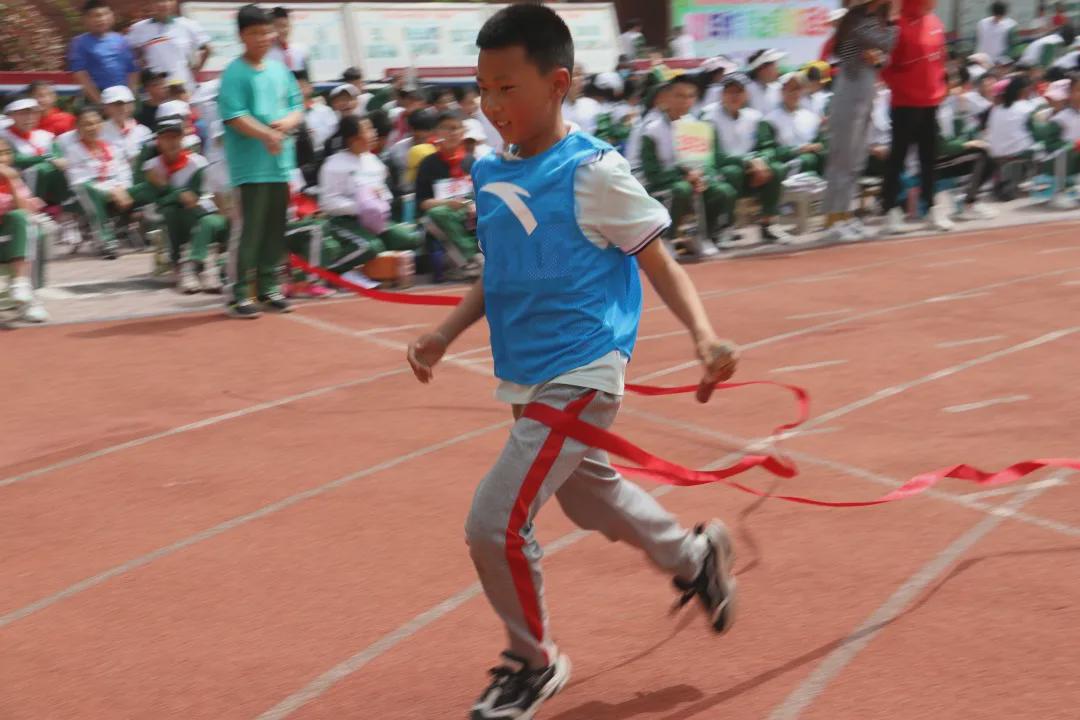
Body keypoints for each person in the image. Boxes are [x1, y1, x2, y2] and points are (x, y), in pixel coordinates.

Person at [406, 7, 739, 719]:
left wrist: (704, 337)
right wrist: (444, 334)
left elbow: (658, 258)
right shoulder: (491, 169)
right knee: (591, 496)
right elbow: (498, 273)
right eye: (482, 89)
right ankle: (695, 558)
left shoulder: (594, 171)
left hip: (583, 372)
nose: (492, 107)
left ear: (557, 83)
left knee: (493, 522)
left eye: (507, 88)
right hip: (528, 373)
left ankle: (533, 660)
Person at [217, 3, 303, 319]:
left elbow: (297, 104)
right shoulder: (234, 73)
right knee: (249, 229)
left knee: (274, 228)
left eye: (266, 31)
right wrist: (266, 134)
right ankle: (240, 292)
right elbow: (234, 116)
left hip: (279, 164)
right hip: (250, 166)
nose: (262, 38)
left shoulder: (280, 69)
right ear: (242, 36)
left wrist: (288, 123)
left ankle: (270, 287)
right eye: (254, 33)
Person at [820, 0, 897, 242]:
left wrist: (877, 57)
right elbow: (888, 44)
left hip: (865, 92)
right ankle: (833, 219)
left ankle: (845, 214)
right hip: (850, 92)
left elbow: (883, 58)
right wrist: (894, 21)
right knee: (842, 159)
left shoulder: (872, 21)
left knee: (855, 160)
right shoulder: (856, 21)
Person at [318, 115, 420, 285]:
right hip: (344, 221)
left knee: (408, 238)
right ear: (353, 138)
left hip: (376, 220)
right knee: (371, 247)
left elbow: (386, 193)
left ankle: (368, 267)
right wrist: (362, 207)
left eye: (372, 129)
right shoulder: (334, 165)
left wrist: (380, 199)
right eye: (367, 130)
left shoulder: (373, 161)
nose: (373, 134)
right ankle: (329, 271)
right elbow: (328, 202)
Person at [640, 74, 735, 254]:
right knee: (682, 189)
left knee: (723, 191)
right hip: (665, 184)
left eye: (690, 96)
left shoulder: (699, 126)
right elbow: (652, 172)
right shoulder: (652, 130)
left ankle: (703, 235)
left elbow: (710, 163)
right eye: (680, 96)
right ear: (667, 97)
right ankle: (667, 237)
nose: (685, 101)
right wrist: (682, 174)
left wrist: (703, 176)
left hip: (695, 181)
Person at [880, 0, 952, 235]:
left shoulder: (935, 23)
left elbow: (941, 60)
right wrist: (903, 89)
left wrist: (940, 89)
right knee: (897, 158)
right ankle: (890, 210)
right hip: (904, 103)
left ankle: (931, 208)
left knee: (929, 158)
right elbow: (885, 67)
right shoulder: (895, 25)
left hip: (931, 102)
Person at [143, 115, 229, 293]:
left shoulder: (198, 163)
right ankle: (200, 267)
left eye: (175, 137)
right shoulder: (151, 166)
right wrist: (178, 195)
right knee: (177, 212)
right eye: (166, 138)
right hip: (183, 217)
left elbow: (213, 200)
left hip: (212, 216)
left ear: (182, 138)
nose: (171, 142)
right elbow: (151, 198)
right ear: (158, 141)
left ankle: (191, 266)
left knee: (207, 222)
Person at [415, 110, 481, 274]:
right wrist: (448, 203)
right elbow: (422, 202)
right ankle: (471, 257)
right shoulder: (428, 164)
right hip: (444, 214)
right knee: (437, 215)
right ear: (437, 133)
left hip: (470, 212)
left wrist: (474, 205)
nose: (452, 133)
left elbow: (483, 193)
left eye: (456, 128)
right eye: (446, 128)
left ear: (463, 132)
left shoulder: (471, 161)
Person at [0, 136, 48, 323]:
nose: (2, 159)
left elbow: (23, 213)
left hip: (10, 245)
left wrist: (12, 182)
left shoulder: (13, 178)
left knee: (28, 224)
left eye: (6, 153)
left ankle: (24, 290)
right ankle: (23, 289)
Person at [127, 0, 212, 93]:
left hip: (183, 87)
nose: (164, 4)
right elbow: (133, 54)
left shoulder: (188, 25)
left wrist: (195, 71)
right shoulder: (139, 28)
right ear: (151, 3)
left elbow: (207, 49)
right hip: (154, 90)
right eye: (159, 1)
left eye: (168, 1)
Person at [69, 0, 139, 105]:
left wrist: (130, 97)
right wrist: (100, 102)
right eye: (96, 16)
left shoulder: (122, 40)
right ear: (85, 19)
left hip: (123, 97)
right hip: (98, 97)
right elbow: (81, 76)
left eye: (105, 14)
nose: (101, 19)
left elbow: (132, 71)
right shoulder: (80, 43)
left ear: (112, 16)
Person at [100, 85, 153, 165]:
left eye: (127, 103)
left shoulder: (144, 131)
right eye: (117, 104)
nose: (123, 108)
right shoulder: (98, 133)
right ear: (105, 107)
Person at [267, 6, 307, 73]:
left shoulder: (300, 51)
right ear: (271, 28)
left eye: (287, 25)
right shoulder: (266, 55)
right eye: (280, 26)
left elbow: (305, 80)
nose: (285, 30)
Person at [745, 48, 786, 114]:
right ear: (762, 68)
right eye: (774, 66)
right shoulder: (745, 90)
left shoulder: (779, 89)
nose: (778, 71)